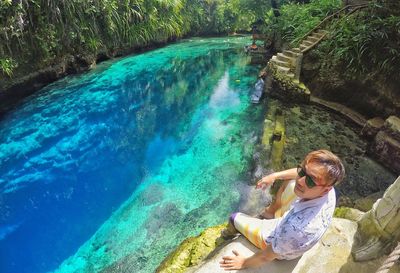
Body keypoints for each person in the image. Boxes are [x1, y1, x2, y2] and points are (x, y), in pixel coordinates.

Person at [219, 149, 345, 271]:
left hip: (278, 243)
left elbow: (266, 256)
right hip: (292, 232)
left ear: (325, 189)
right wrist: (274, 176)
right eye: (302, 172)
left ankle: (228, 234)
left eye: (311, 181)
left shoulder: (297, 229)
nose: (300, 181)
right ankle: (270, 213)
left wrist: (243, 263)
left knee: (234, 217)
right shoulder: (328, 190)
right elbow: (301, 175)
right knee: (290, 182)